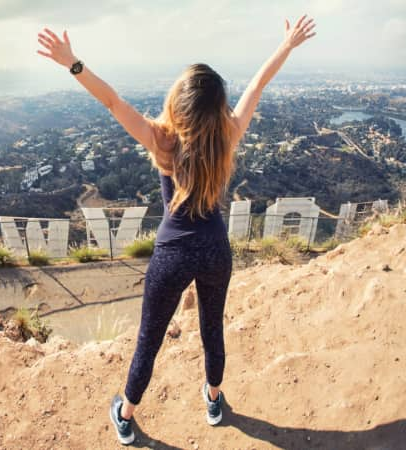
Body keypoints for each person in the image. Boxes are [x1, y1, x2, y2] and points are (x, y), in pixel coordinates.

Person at [37, 15, 316, 445]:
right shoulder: (228, 138)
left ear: (177, 106)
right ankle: (213, 399)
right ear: (217, 110)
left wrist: (73, 64)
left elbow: (112, 102)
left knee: (149, 338)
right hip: (215, 251)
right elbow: (257, 85)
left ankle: (126, 416)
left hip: (172, 254)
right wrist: (287, 45)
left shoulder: (161, 141)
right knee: (212, 328)